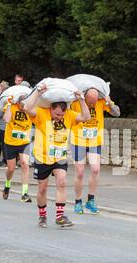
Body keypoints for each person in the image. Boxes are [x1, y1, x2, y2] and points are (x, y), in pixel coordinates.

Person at [24, 83, 90, 228]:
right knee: (42, 188)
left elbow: (86, 116)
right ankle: (42, 216)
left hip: (60, 157)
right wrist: (38, 92)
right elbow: (27, 108)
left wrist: (81, 100)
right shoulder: (42, 113)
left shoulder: (69, 115)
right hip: (42, 157)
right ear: (51, 109)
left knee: (62, 182)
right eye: (57, 114)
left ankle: (60, 216)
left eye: (62, 114)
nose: (60, 117)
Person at [70, 89, 120, 214]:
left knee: (95, 169)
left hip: (94, 141)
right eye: (90, 102)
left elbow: (117, 113)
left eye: (94, 102)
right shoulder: (76, 102)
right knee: (80, 172)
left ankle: (90, 200)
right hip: (78, 140)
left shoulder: (101, 101)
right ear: (85, 97)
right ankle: (78, 202)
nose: (92, 105)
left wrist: (110, 103)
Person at [1, 96, 34, 203]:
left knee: (25, 164)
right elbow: (6, 119)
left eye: (25, 103)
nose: (23, 106)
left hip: (24, 142)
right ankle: (7, 185)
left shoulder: (30, 109)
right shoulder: (11, 106)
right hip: (10, 141)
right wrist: (9, 105)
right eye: (21, 104)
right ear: (18, 102)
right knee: (11, 168)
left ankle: (24, 193)